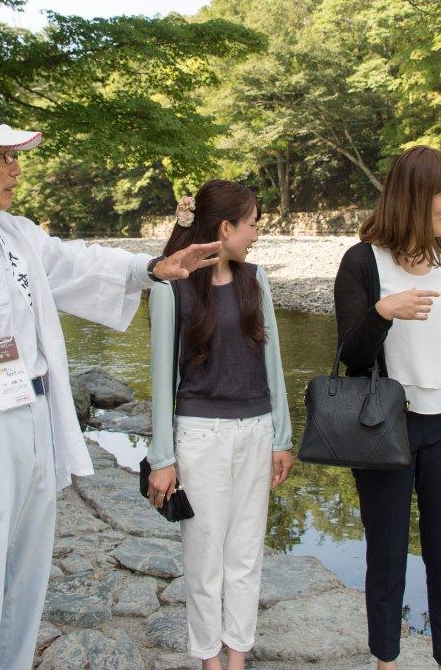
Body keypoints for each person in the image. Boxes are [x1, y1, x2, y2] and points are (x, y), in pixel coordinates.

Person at [0, 106, 220, 670]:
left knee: (26, 576)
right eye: (2, 157)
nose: (15, 169)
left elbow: (74, 265)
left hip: (29, 413)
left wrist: (153, 268)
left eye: (15, 157)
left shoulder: (11, 234)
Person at [333, 146, 441, 670]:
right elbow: (352, 354)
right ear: (416, 195)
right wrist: (383, 311)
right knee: (387, 555)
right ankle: (387, 662)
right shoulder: (361, 261)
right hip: (385, 425)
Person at [145, 180, 294, 670]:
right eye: (251, 224)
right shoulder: (172, 287)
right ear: (225, 227)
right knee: (205, 559)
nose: (255, 234)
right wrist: (162, 459)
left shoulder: (258, 279)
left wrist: (282, 437)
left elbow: (272, 363)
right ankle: (209, 658)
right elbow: (162, 377)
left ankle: (238, 658)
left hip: (255, 431)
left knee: (246, 554)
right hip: (199, 438)